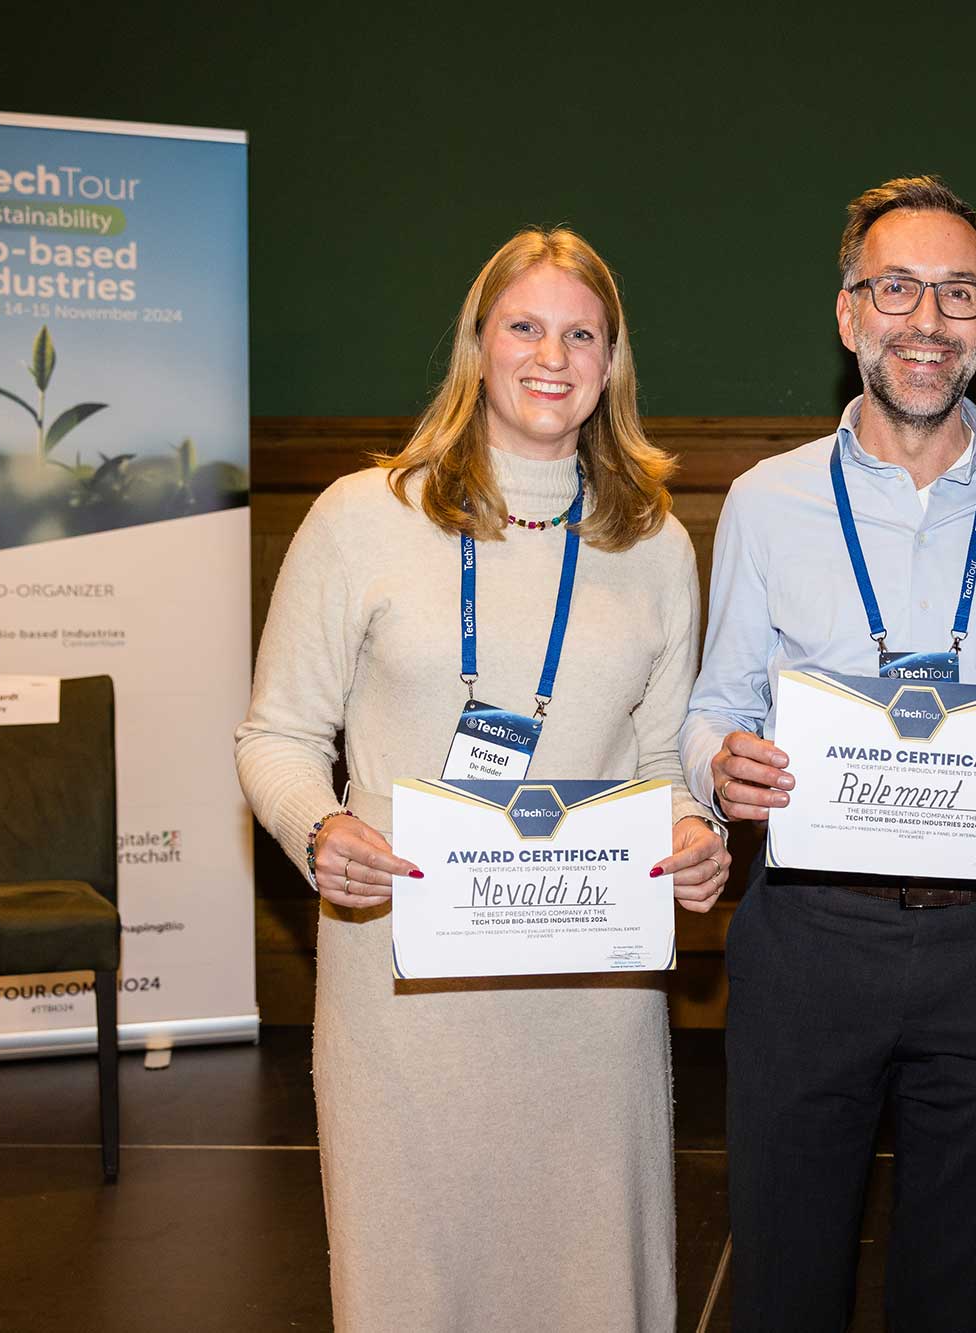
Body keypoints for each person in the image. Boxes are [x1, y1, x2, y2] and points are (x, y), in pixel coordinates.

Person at [235, 227, 727, 1331]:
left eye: (581, 335)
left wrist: (694, 834)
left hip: (590, 992)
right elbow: (276, 735)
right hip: (402, 987)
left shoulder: (654, 542)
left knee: (591, 1280)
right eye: (524, 326)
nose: (552, 356)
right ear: (477, 343)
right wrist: (317, 829)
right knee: (414, 1282)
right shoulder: (362, 516)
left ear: (612, 362)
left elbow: (662, 761)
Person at [680, 175, 976, 1331]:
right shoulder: (767, 500)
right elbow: (712, 706)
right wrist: (717, 765)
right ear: (848, 312)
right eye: (896, 288)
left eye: (957, 293)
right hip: (809, 936)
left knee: (958, 1284)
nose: (926, 320)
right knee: (785, 1284)